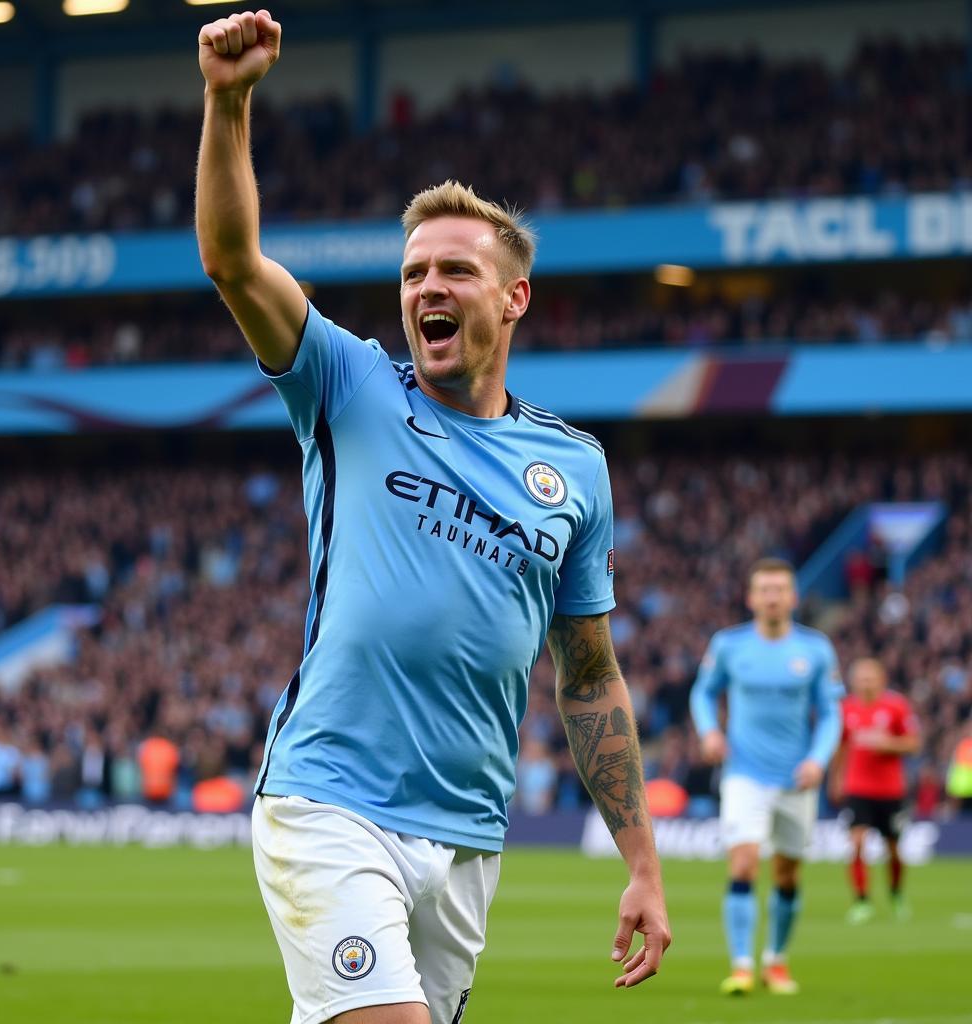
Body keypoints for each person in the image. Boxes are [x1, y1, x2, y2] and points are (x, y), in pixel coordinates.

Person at [194, 11, 670, 1024]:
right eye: (412, 273)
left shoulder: (573, 469)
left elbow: (588, 678)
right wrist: (228, 103)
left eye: (453, 270)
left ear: (514, 297)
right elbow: (233, 260)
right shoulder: (349, 384)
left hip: (466, 837)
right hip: (328, 798)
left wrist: (642, 863)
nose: (427, 288)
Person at [690, 557, 843, 996]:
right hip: (744, 774)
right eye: (765, 589)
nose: (773, 597)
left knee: (787, 873)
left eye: (780, 589)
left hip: (797, 777)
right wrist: (710, 732)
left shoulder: (815, 649)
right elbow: (703, 691)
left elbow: (831, 712)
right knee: (743, 863)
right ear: (751, 597)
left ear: (793, 597)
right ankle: (741, 965)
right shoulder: (729, 645)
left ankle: (776, 960)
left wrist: (818, 758)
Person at [831, 657, 920, 923]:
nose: (865, 683)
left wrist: (889, 744)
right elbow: (840, 747)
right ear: (853, 682)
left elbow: (913, 743)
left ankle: (896, 893)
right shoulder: (845, 710)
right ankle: (861, 901)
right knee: (856, 843)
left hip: (890, 790)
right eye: (861, 678)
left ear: (881, 680)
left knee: (893, 848)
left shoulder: (897, 706)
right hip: (857, 788)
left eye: (870, 678)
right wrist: (835, 779)